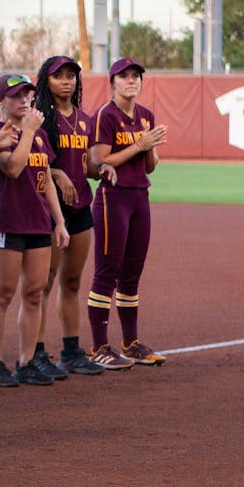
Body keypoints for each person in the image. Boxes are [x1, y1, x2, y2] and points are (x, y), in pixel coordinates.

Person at [0, 74, 69, 387]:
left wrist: (58, 221)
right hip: (7, 222)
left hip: (37, 223)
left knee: (34, 293)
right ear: (1, 101)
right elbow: (14, 168)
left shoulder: (39, 135)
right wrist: (29, 131)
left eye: (27, 94)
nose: (23, 100)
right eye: (16, 95)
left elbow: (44, 179)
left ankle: (27, 361)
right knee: (3, 294)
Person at [32, 56, 114, 377]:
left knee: (72, 281)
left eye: (71, 76)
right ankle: (36, 353)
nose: (66, 81)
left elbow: (87, 165)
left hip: (80, 208)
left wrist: (102, 168)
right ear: (46, 81)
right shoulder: (40, 118)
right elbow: (33, 160)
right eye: (58, 76)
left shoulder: (84, 119)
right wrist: (56, 173)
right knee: (44, 282)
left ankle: (70, 350)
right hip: (50, 209)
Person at [87, 57, 168, 369]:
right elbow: (98, 163)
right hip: (113, 198)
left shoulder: (146, 115)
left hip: (139, 196)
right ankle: (98, 346)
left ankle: (131, 343)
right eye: (124, 77)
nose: (132, 81)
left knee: (131, 275)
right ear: (113, 83)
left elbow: (150, 165)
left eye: (136, 76)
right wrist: (139, 144)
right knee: (106, 272)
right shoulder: (104, 116)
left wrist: (150, 148)